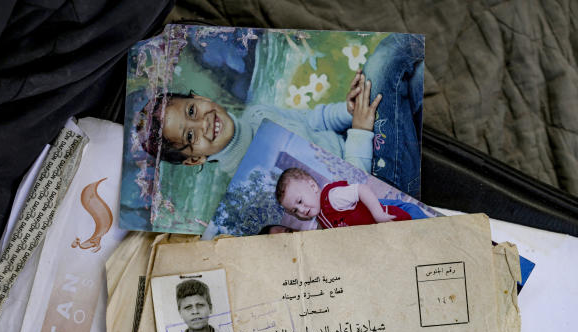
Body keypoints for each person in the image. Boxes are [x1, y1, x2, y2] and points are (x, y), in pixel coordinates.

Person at [140, 33, 425, 197]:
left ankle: (409, 154)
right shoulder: (254, 174)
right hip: (375, 182)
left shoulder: (256, 114)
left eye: (192, 111)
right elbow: (344, 194)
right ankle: (409, 181)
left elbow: (316, 120)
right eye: (190, 136)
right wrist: (361, 131)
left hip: (365, 145)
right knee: (384, 60)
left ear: (200, 98)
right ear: (194, 159)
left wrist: (348, 111)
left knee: (411, 80)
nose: (203, 123)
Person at [274, 168, 428, 230]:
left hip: (388, 218)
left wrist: (378, 214)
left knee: (416, 222)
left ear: (313, 186)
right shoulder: (321, 220)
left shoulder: (333, 197)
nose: (301, 211)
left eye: (299, 201)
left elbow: (361, 189)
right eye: (295, 211)